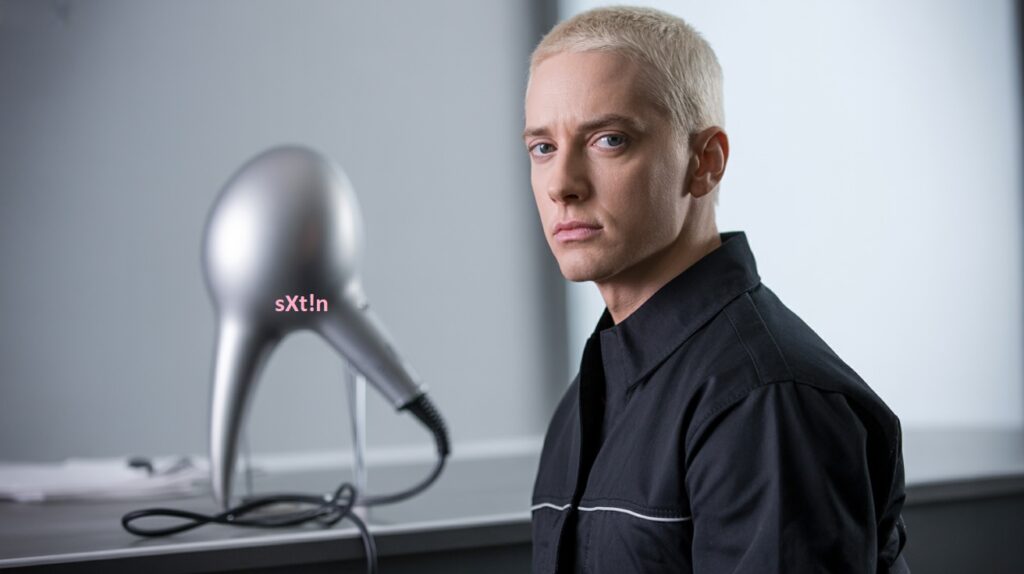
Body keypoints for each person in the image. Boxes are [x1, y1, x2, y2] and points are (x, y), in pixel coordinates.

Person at [523, 6, 909, 573]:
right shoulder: (591, 394)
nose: (562, 185)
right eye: (543, 148)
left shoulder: (766, 401)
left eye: (609, 139)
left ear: (705, 162)